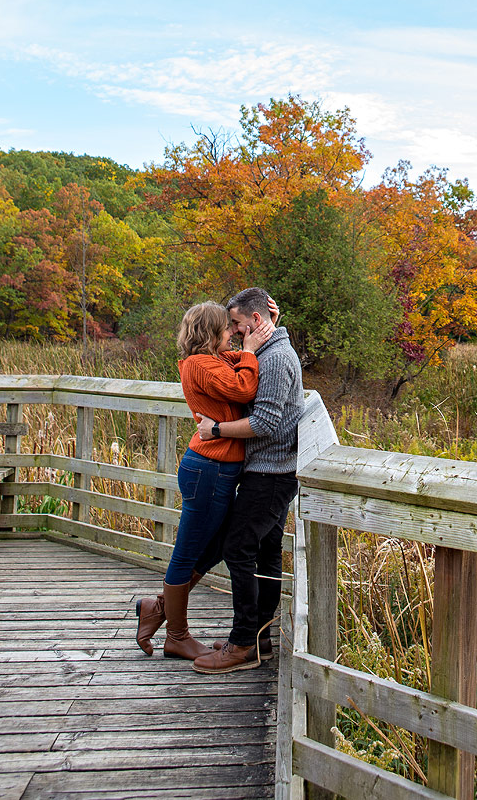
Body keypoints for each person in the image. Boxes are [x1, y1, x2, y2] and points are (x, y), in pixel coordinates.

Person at [134, 300, 271, 660]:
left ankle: (160, 608)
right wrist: (251, 351)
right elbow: (244, 389)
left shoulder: (214, 359)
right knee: (188, 552)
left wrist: (266, 322)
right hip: (207, 471)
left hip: (218, 470)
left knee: (217, 546)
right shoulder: (199, 365)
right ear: (211, 333)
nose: (233, 332)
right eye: (227, 328)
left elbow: (240, 363)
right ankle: (177, 636)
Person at [191, 285, 304, 674]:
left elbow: (266, 423)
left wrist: (217, 430)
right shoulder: (270, 349)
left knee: (238, 548)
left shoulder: (274, 359)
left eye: (238, 324)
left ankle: (242, 644)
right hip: (272, 470)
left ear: (257, 320)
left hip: (270, 473)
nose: (235, 332)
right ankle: (259, 641)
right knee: (265, 553)